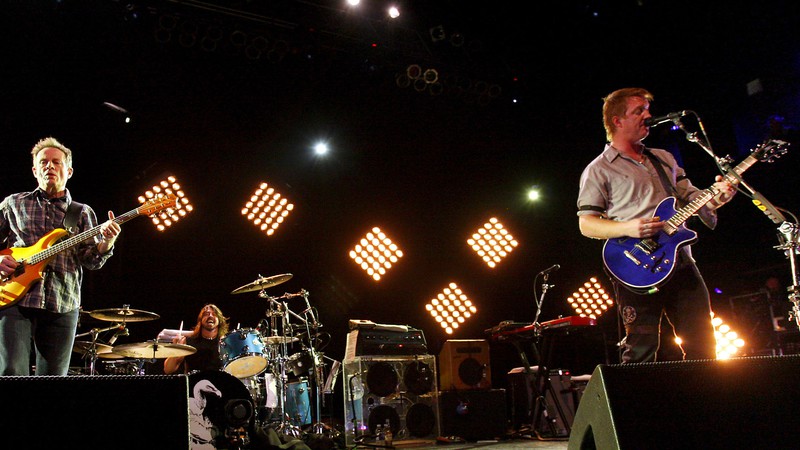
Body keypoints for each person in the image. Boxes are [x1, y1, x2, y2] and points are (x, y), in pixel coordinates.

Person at [577, 87, 738, 363]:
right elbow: (587, 224)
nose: (648, 116)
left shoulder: (664, 158)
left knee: (703, 345)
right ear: (617, 120)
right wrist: (628, 228)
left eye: (647, 110)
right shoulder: (599, 168)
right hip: (635, 265)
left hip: (680, 262)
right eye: (638, 111)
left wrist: (718, 196)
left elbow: (693, 199)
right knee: (641, 348)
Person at [0, 136, 121, 376]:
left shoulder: (82, 212)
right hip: (14, 299)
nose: (50, 166)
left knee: (54, 381)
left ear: (69, 170)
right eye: (44, 162)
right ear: (35, 170)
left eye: (56, 162)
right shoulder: (13, 203)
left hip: (62, 302)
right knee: (12, 372)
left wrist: (107, 241)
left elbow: (91, 261)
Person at [164, 303, 230, 374]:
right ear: (200, 320)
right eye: (206, 314)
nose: (210, 316)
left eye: (214, 314)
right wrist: (175, 349)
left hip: (220, 383)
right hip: (195, 383)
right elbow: (168, 370)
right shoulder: (187, 341)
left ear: (219, 320)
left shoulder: (225, 342)